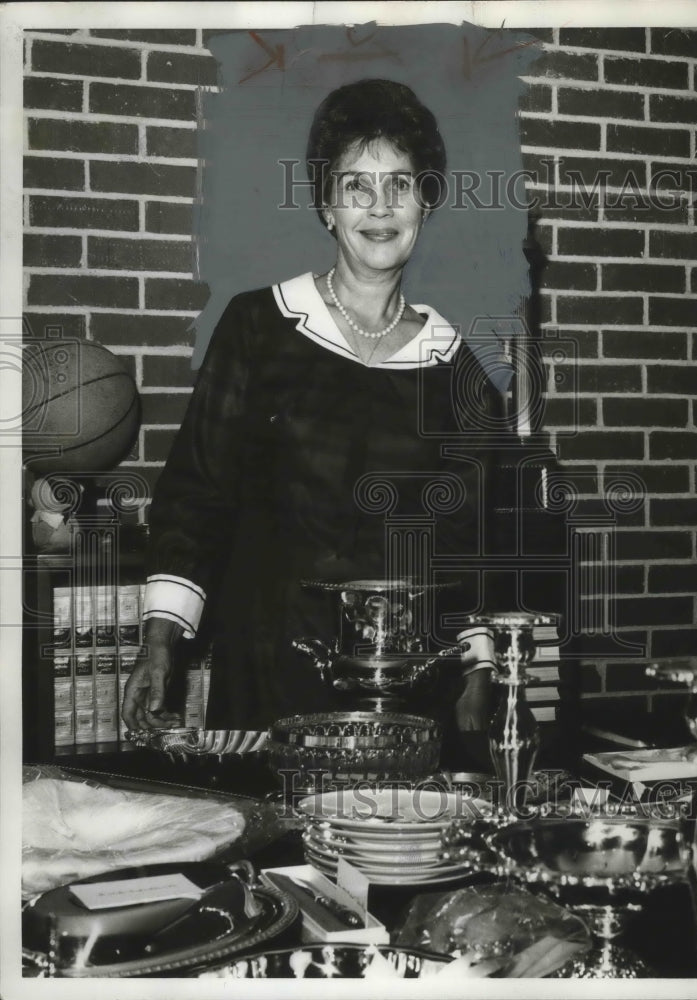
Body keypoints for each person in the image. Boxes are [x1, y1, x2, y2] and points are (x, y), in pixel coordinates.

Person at [121, 79, 510, 752]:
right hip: (270, 675)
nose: (379, 206)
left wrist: (480, 666)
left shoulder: (460, 370)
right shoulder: (256, 327)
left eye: (400, 184)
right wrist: (161, 641)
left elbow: (469, 543)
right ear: (326, 205)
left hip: (410, 690)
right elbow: (196, 492)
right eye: (356, 185)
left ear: (425, 201)